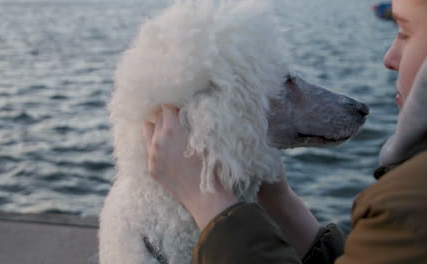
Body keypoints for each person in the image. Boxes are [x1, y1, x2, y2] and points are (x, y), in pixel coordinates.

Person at [142, 0, 427, 263]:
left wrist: (208, 202)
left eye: (403, 32)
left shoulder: (406, 210)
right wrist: (278, 198)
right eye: (285, 85)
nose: (388, 58)